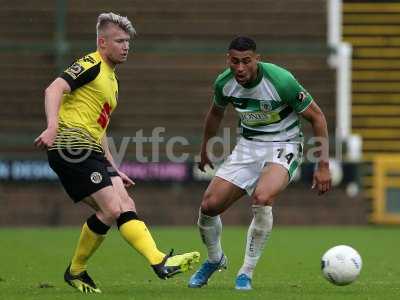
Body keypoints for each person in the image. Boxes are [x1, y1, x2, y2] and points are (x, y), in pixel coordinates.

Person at [34, 12, 199, 294]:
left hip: (91, 149)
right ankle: (79, 271)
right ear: (102, 42)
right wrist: (51, 127)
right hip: (71, 147)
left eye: (127, 42)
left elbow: (100, 130)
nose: (125, 46)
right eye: (119, 41)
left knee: (125, 203)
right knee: (111, 208)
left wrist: (114, 167)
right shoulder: (91, 63)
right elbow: (54, 88)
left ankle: (156, 262)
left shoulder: (112, 80)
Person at [188, 36, 331, 290]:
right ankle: (214, 259)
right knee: (209, 206)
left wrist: (323, 166)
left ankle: (246, 272)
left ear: (257, 59)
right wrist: (205, 148)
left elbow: (317, 118)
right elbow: (215, 114)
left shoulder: (281, 81)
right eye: (234, 62)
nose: (240, 68)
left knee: (263, 198)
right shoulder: (224, 83)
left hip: (284, 144)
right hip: (248, 146)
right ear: (228, 60)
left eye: (246, 61)